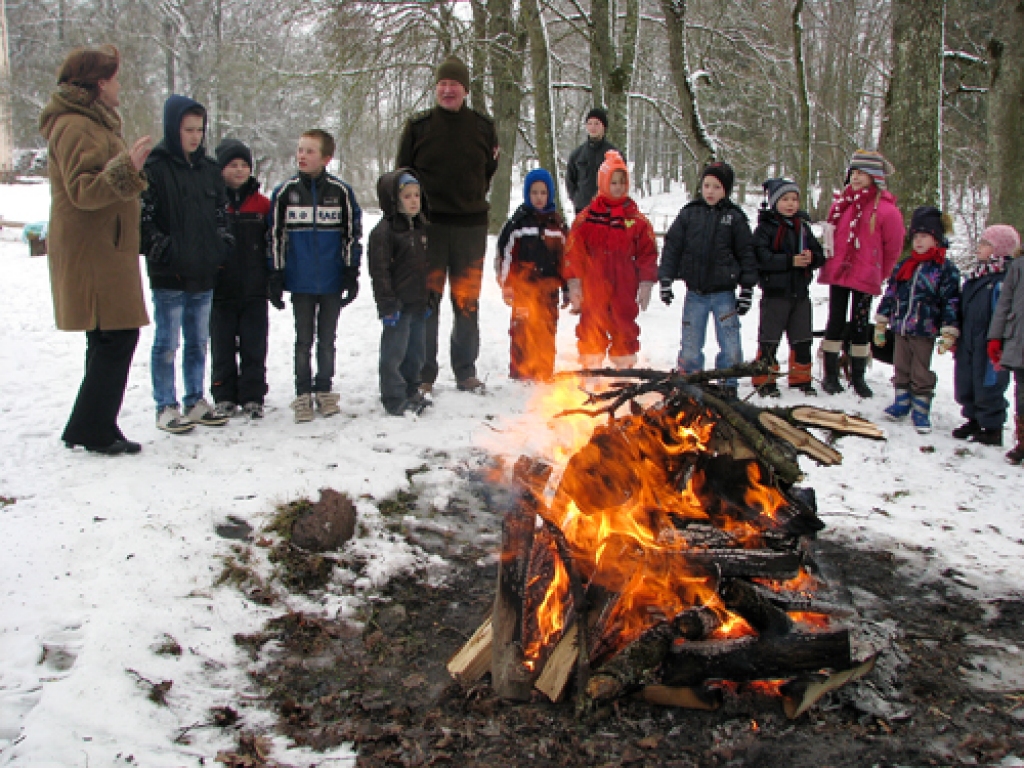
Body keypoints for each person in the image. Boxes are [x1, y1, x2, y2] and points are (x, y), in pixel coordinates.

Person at [40, 44, 152, 455]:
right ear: (100, 82)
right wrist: (128, 169)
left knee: (110, 336)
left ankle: (94, 424)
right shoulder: (75, 125)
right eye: (116, 77)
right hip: (94, 250)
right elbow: (84, 188)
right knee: (115, 335)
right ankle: (92, 426)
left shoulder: (91, 121)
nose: (120, 86)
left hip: (107, 247)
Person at [396, 55, 499, 395]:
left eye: (454, 84)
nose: (447, 90)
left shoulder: (484, 127)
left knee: (467, 303)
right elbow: (400, 176)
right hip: (430, 228)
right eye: (442, 84)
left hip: (470, 229)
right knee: (428, 302)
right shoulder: (418, 127)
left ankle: (466, 370)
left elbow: (487, 173)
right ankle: (424, 373)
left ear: (465, 89)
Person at [141, 95, 232, 434]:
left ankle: (195, 399)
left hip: (204, 272)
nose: (194, 136)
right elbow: (144, 219)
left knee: (198, 342)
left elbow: (221, 214)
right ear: (173, 128)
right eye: (187, 129)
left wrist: (222, 244)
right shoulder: (156, 168)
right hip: (169, 274)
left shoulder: (209, 170)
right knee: (167, 344)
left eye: (199, 129)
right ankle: (166, 404)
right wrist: (163, 249)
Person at [269, 129, 362, 423]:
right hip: (300, 281)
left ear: (326, 158)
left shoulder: (341, 192)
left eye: (309, 151)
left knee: (327, 339)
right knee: (303, 339)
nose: (302, 156)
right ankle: (302, 394)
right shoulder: (285, 193)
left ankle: (324, 389)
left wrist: (350, 271)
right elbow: (274, 236)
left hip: (332, 280)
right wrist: (276, 273)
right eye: (299, 150)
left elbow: (352, 234)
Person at [658, 161, 757, 396]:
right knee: (690, 346)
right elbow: (673, 247)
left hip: (724, 295)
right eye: (707, 185)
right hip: (696, 294)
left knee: (731, 345)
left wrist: (747, 290)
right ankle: (689, 383)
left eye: (717, 187)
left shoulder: (734, 218)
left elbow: (746, 254)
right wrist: (666, 280)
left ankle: (728, 384)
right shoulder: (689, 214)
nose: (711, 191)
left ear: (726, 190)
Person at [818, 149, 905, 398]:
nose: (855, 178)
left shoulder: (886, 210)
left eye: (861, 173)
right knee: (834, 320)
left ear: (874, 177)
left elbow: (893, 246)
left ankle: (858, 376)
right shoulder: (841, 205)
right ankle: (830, 373)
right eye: (853, 173)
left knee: (859, 324)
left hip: (865, 275)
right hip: (839, 273)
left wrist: (881, 273)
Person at [563, 150, 657, 370]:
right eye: (613, 182)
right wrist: (574, 281)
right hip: (594, 281)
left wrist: (646, 282)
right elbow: (573, 250)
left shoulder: (636, 220)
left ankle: (624, 367)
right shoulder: (586, 219)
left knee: (623, 321)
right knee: (591, 321)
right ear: (603, 183)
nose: (618, 187)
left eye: (622, 182)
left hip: (624, 283)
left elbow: (648, 252)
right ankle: (591, 365)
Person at [874, 207, 961, 434]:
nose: (919, 241)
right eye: (916, 237)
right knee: (901, 364)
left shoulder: (944, 269)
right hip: (901, 325)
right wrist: (882, 320)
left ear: (936, 238)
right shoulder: (905, 265)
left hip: (925, 328)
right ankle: (902, 401)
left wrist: (949, 330)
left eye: (924, 236)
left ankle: (921, 408)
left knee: (920, 370)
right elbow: (891, 293)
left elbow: (951, 300)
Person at [211, 138, 272, 419]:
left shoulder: (262, 204)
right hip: (220, 290)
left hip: (254, 290)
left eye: (244, 165)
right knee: (222, 346)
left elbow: (272, 244)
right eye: (233, 165)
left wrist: (272, 278)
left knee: (254, 345)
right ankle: (223, 395)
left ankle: (253, 395)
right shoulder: (213, 201)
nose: (239, 170)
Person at [368, 169, 436, 416]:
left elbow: (427, 267)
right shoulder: (384, 232)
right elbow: (380, 271)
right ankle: (394, 396)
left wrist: (430, 298)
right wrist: (387, 305)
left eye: (417, 195)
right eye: (407, 196)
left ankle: (411, 389)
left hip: (418, 303)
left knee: (416, 353)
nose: (414, 200)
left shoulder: (420, 229)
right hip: (397, 306)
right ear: (394, 200)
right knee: (394, 354)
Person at [751, 178, 825, 397]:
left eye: (794, 199)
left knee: (802, 339)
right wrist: (789, 261)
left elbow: (820, 256)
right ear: (775, 202)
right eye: (785, 199)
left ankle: (800, 379)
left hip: (800, 294)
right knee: (769, 340)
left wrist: (812, 258)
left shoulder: (803, 228)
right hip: (775, 294)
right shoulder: (765, 228)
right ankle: (765, 379)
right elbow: (761, 258)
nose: (790, 204)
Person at [495, 168, 568, 381]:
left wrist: (567, 288)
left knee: (546, 330)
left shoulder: (557, 225)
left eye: (543, 193)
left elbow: (567, 259)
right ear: (527, 194)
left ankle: (544, 369)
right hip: (523, 289)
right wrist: (506, 283)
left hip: (549, 290)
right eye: (534, 192)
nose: (538, 197)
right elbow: (505, 253)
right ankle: (521, 371)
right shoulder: (518, 223)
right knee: (521, 331)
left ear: (550, 195)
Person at [953, 225, 1019, 447]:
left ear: (999, 248)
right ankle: (972, 418)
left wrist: (999, 339)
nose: (979, 247)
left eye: (985, 244)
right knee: (966, 379)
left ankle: (992, 426)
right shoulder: (976, 275)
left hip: (990, 340)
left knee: (989, 383)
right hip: (969, 337)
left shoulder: (1007, 278)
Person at [986, 226, 1024, 463]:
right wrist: (996, 337)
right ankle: (1022, 441)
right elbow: (1004, 304)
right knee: (1022, 392)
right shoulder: (1018, 266)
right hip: (1019, 338)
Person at [565, 108, 621, 215]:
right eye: (589, 123)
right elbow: (570, 180)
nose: (593, 127)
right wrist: (576, 199)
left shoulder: (614, 154)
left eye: (596, 123)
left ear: (604, 126)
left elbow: (622, 182)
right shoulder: (577, 154)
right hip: (583, 209)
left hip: (607, 210)